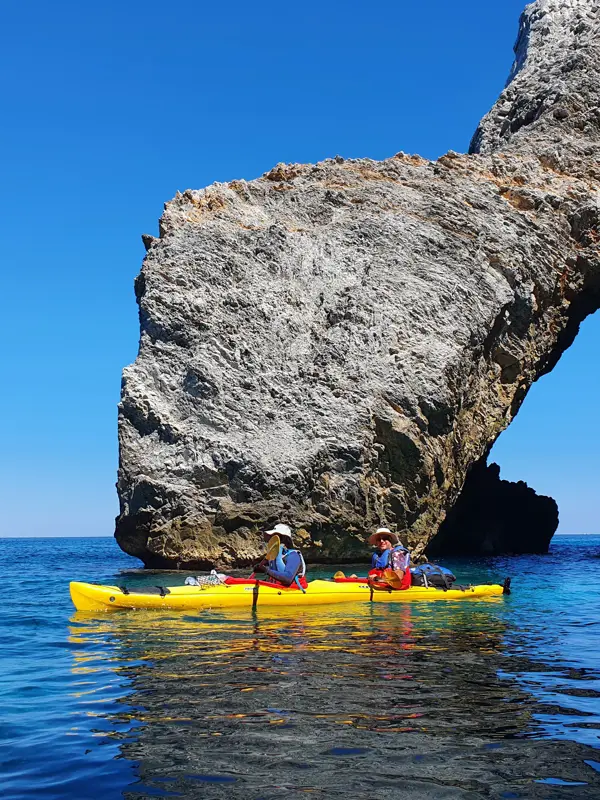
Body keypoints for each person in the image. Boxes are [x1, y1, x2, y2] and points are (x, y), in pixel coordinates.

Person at [252, 523, 308, 590]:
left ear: (285, 538)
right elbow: (274, 570)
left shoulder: (293, 556)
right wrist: (260, 569)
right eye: (272, 537)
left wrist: (266, 570)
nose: (272, 539)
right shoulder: (274, 555)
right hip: (276, 588)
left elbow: (287, 579)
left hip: (292, 590)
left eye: (275, 537)